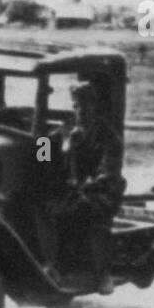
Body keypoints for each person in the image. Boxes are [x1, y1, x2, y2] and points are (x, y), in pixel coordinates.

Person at [54, 80, 126, 294]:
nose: (80, 111)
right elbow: (46, 154)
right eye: (76, 105)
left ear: (94, 106)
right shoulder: (67, 131)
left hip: (103, 190)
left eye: (85, 105)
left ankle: (103, 273)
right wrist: (43, 153)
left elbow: (108, 171)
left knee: (91, 214)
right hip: (72, 189)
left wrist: (85, 185)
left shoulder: (110, 137)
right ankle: (53, 265)